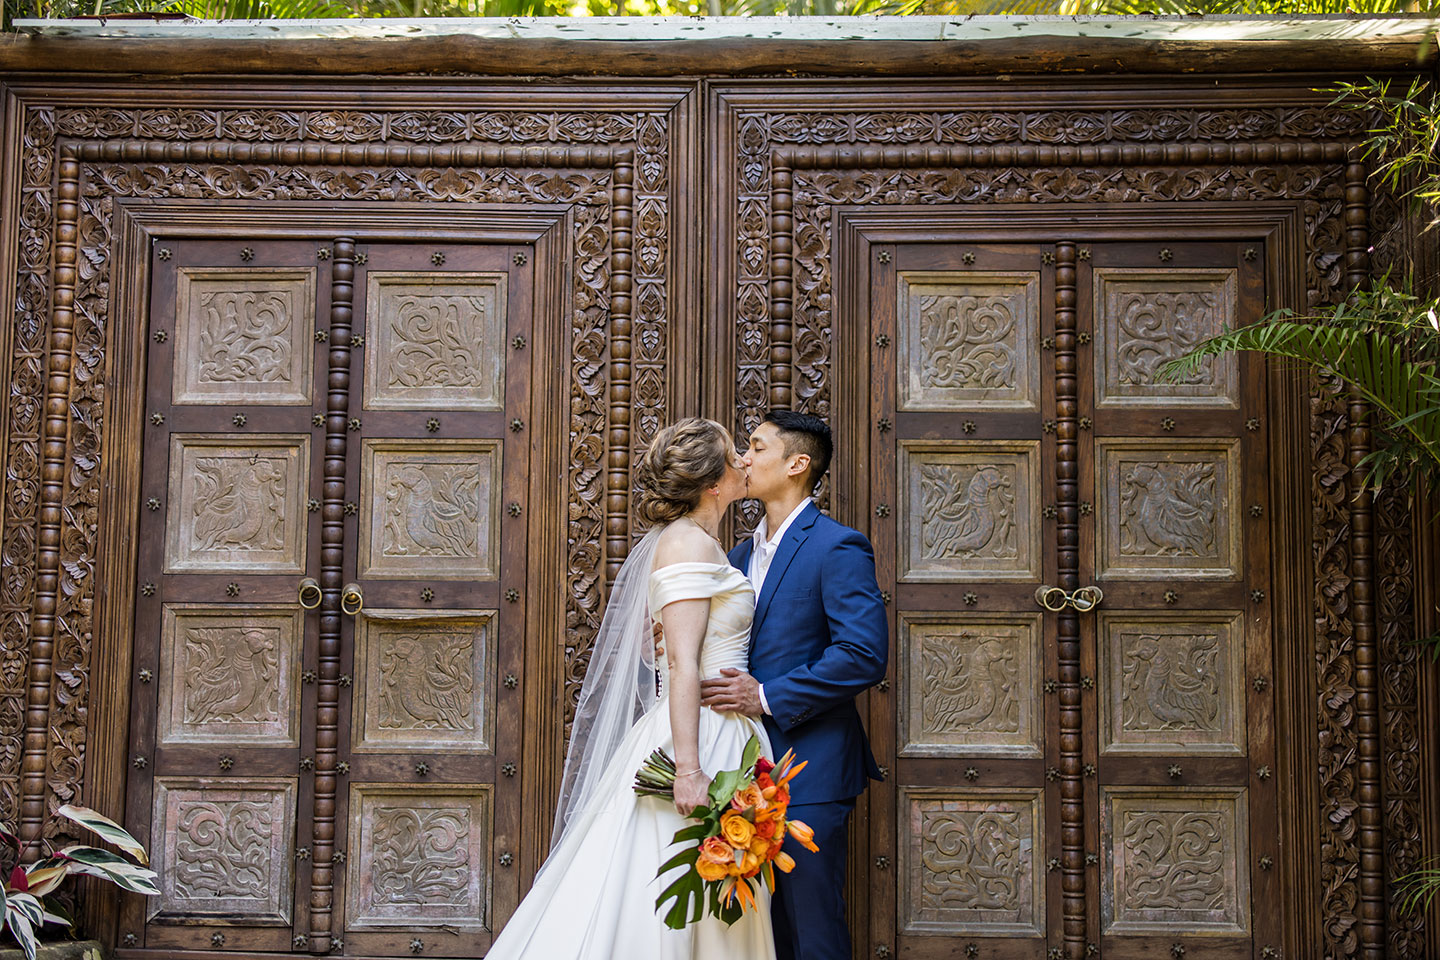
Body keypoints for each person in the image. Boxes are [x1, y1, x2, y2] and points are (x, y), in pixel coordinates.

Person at [484, 417, 776, 960]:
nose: (744, 463)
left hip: (718, 728)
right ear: (714, 484)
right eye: (736, 454)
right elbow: (684, 666)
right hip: (700, 734)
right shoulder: (690, 544)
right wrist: (688, 770)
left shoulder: (698, 543)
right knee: (671, 882)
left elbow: (659, 648)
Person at [700, 410, 889, 960]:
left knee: (810, 925)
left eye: (756, 448)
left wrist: (764, 696)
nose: (743, 459)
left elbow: (862, 655)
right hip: (738, 770)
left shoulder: (837, 546)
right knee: (759, 931)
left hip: (812, 768)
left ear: (797, 464)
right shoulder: (735, 557)